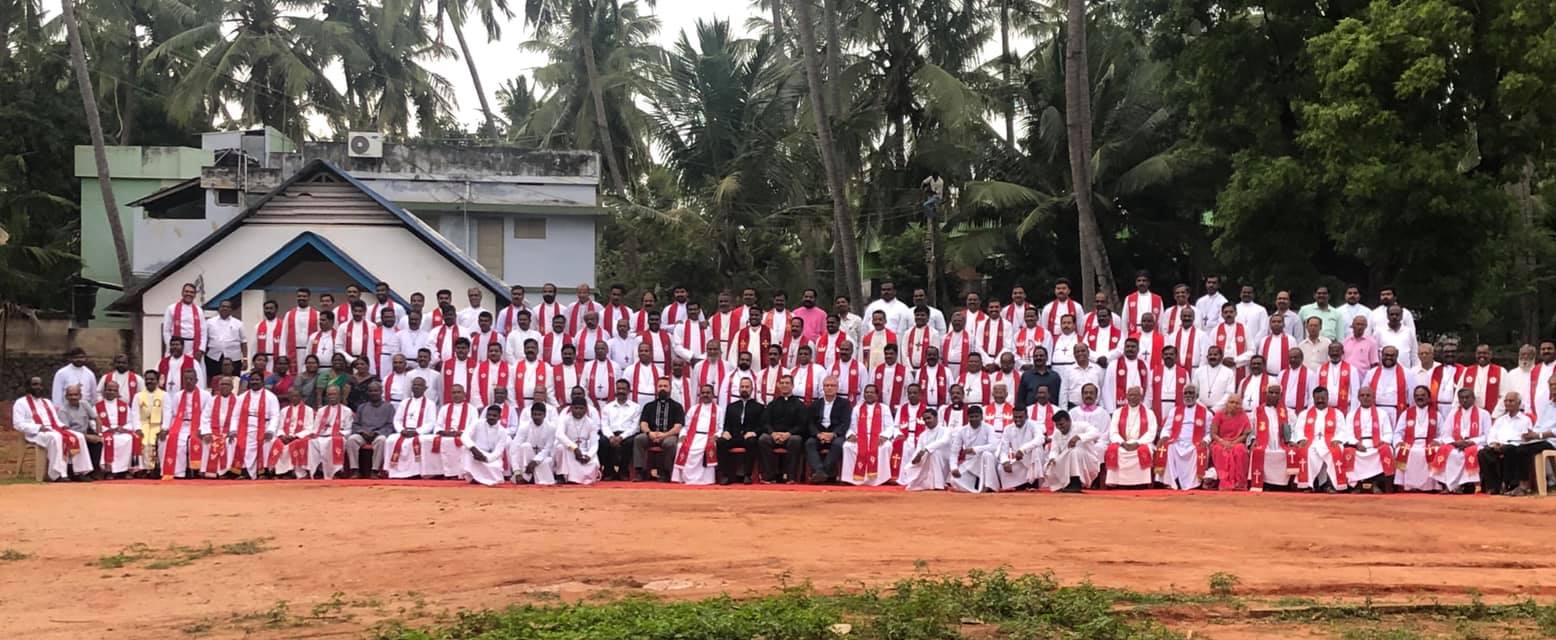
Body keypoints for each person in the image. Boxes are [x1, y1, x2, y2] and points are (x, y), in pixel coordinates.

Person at [13, 376, 94, 481]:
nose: (38, 387)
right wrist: (38, 427)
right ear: (28, 386)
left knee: (78, 436)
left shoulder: (47, 402)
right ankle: (57, 474)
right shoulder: (21, 403)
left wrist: (63, 426)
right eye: (35, 384)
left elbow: (56, 420)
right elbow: (18, 424)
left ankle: (79, 471)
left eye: (40, 385)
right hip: (35, 433)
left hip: (53, 429)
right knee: (56, 438)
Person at [1475, 392, 1538, 495]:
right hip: (1497, 445)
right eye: (1506, 401)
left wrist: (1505, 444)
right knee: (1483, 453)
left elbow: (1524, 438)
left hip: (1513, 446)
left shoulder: (1525, 420)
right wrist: (1494, 443)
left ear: (1519, 403)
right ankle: (1493, 486)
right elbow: (1492, 434)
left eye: (1511, 401)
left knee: (1510, 450)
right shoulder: (1501, 419)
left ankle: (1510, 484)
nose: (1508, 403)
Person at [1432, 388, 1489, 493]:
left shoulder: (1484, 414)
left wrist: (1471, 442)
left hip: (1475, 444)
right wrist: (1455, 442)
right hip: (1456, 444)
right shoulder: (1453, 413)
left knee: (1468, 453)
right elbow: (1445, 433)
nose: (1464, 400)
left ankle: (1471, 485)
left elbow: (1487, 435)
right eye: (1461, 398)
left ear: (1473, 398)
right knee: (1450, 453)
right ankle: (1451, 486)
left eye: (1467, 397)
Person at [1292, 387, 1349, 492]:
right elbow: (1298, 429)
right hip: (1311, 442)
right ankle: (1307, 485)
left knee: (1336, 451)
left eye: (1323, 398)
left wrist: (1338, 439)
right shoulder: (1305, 414)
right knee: (1306, 451)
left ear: (1328, 398)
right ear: (1313, 399)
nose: (1320, 401)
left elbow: (1343, 431)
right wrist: (1301, 439)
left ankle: (1332, 485)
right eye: (1317, 398)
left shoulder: (1337, 413)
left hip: (1330, 442)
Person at [839, 384, 897, 486]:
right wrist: (851, 435)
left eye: (872, 392)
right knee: (847, 446)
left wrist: (884, 436)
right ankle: (850, 479)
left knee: (886, 446)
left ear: (877, 395)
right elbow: (852, 426)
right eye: (867, 392)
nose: (869, 394)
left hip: (879, 437)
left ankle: (880, 479)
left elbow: (890, 426)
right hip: (861, 437)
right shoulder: (857, 408)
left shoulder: (884, 408)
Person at [1155, 384, 1210, 490]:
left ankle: (1193, 484)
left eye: (1191, 393)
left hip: (1194, 443)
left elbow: (1209, 432)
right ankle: (1171, 482)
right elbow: (1167, 428)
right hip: (1177, 441)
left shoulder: (1205, 413)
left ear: (1197, 395)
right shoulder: (1174, 411)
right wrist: (1165, 436)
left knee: (1197, 450)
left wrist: (1205, 440)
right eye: (1186, 393)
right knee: (1168, 447)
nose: (1188, 396)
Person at [161, 368, 212, 479]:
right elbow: (174, 414)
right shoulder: (177, 396)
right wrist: (168, 428)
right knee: (174, 440)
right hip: (181, 425)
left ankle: (199, 470)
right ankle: (179, 472)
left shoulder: (205, 395)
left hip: (198, 425)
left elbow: (207, 415)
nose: (188, 381)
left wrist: (204, 429)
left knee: (197, 440)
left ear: (196, 380)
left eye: (191, 379)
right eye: (186, 379)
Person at [1104, 386, 1158, 487]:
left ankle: (1141, 483)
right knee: (1114, 450)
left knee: (1143, 450)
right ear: (1126, 396)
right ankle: (1118, 483)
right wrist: (1122, 443)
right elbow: (1113, 432)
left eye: (1136, 395)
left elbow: (1151, 432)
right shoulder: (1117, 412)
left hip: (1141, 443)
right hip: (1123, 444)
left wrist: (1138, 443)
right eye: (1131, 395)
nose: (1133, 398)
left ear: (1141, 397)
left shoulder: (1149, 413)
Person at [1345, 386, 1396, 492]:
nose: (1365, 398)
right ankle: (1357, 485)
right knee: (1347, 452)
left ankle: (1378, 483)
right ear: (1358, 398)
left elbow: (1388, 433)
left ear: (1373, 397)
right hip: (1359, 445)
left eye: (1368, 395)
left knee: (1388, 450)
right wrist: (1356, 444)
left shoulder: (1382, 413)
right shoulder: (1351, 415)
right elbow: (1348, 434)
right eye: (1362, 395)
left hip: (1377, 445)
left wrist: (1381, 442)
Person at [758, 376, 807, 483]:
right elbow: (765, 422)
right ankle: (769, 476)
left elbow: (802, 425)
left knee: (796, 440)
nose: (784, 385)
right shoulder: (773, 404)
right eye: (782, 383)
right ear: (779, 386)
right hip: (774, 436)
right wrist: (772, 433)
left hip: (791, 436)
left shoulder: (799, 405)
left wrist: (789, 434)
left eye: (787, 383)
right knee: (763, 439)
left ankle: (790, 476)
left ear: (792, 386)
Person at [636, 377, 685, 481]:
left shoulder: (677, 406)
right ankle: (640, 472)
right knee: (639, 439)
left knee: (670, 444)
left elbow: (677, 427)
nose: (662, 388)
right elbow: (643, 424)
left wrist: (664, 435)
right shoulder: (649, 406)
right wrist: (650, 433)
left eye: (665, 386)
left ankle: (665, 473)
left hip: (669, 436)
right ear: (656, 389)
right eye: (660, 386)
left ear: (670, 389)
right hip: (651, 435)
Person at [424, 384, 478, 479]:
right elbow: (438, 425)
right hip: (446, 434)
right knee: (426, 441)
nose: (456, 395)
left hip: (462, 435)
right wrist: (443, 432)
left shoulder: (472, 409)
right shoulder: (445, 408)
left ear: (464, 394)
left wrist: (460, 432)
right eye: (454, 393)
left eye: (458, 392)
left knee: (459, 443)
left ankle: (458, 473)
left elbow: (474, 426)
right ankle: (436, 472)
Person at [804, 376, 852, 483]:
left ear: (837, 388)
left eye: (832, 385)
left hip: (836, 435)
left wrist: (833, 434)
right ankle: (822, 472)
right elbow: (810, 423)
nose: (829, 388)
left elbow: (845, 423)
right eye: (827, 385)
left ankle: (821, 472)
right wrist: (818, 434)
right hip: (819, 434)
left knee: (838, 445)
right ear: (823, 388)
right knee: (809, 443)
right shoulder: (816, 404)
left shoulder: (845, 404)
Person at [1394, 386, 1441, 492]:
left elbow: (1442, 433)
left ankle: (1430, 486)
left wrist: (1437, 441)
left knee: (1435, 451)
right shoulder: (1406, 413)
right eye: (1417, 396)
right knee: (1402, 450)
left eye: (1423, 395)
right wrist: (1399, 442)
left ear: (1429, 398)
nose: (1420, 398)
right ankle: (1408, 486)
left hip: (1428, 443)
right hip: (1410, 443)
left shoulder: (1436, 414)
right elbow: (1398, 432)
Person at [673, 384, 721, 485]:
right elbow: (685, 426)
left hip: (709, 437)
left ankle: (706, 480)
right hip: (693, 436)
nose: (705, 395)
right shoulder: (693, 409)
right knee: (681, 445)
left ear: (713, 395)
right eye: (703, 393)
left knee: (710, 446)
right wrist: (682, 435)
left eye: (708, 393)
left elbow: (721, 428)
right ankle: (682, 478)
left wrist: (717, 436)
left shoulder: (719, 410)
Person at [993, 397, 1045, 491]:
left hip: (1032, 460)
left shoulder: (1033, 425)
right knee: (1001, 468)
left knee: (1036, 450)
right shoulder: (1008, 429)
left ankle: (1034, 484)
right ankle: (1020, 485)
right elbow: (1003, 449)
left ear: (1026, 416)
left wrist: (1023, 450)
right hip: (1019, 461)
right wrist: (1005, 461)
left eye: (1020, 417)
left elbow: (1040, 439)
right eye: (1015, 417)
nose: (1017, 420)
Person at [718, 378, 763, 484]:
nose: (744, 389)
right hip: (734, 436)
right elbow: (727, 424)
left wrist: (754, 432)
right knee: (721, 442)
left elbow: (762, 426)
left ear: (752, 389)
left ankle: (747, 475)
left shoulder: (759, 407)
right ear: (739, 389)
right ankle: (726, 475)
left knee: (752, 442)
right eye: (742, 387)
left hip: (749, 437)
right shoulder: (731, 407)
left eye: (747, 387)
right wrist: (726, 432)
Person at [1043, 410, 1100, 492]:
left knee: (1074, 451)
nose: (1060, 428)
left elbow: (1096, 433)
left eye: (1062, 424)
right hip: (1066, 461)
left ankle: (1076, 482)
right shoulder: (1057, 433)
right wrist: (1052, 458)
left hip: (1088, 462)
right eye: (1057, 425)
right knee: (1049, 465)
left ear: (1069, 420)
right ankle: (1063, 485)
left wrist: (1079, 437)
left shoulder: (1082, 425)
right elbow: (1054, 450)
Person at [348, 381, 395, 478]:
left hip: (378, 434)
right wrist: (361, 432)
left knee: (382, 440)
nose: (373, 393)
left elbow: (390, 426)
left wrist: (377, 433)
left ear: (381, 392)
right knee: (351, 440)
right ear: (368, 393)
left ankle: (374, 470)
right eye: (371, 391)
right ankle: (355, 470)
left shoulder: (389, 407)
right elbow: (355, 424)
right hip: (363, 434)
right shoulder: (362, 407)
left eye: (376, 391)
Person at [94, 379, 140, 477]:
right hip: (106, 432)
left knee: (130, 439)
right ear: (104, 391)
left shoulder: (124, 405)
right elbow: (93, 422)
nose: (111, 392)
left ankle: (127, 470)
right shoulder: (97, 406)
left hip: (121, 431)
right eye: (109, 390)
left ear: (118, 392)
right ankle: (109, 471)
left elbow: (130, 421)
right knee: (109, 440)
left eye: (114, 390)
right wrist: (106, 429)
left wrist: (123, 428)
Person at [306, 385, 353, 479]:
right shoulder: (321, 410)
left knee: (333, 442)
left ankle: (336, 471)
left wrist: (341, 433)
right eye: (329, 394)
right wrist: (314, 433)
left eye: (334, 394)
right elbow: (315, 427)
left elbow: (349, 428)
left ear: (339, 395)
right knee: (311, 442)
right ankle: (316, 470)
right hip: (322, 435)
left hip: (337, 436)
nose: (332, 396)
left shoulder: (347, 411)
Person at [1249, 384, 1291, 490]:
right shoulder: (1257, 411)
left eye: (1276, 393)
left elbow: (1293, 430)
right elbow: (1252, 430)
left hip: (1281, 444)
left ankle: (1281, 486)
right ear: (1265, 394)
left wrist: (1292, 440)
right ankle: (1265, 484)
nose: (1273, 395)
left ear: (1281, 395)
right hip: (1264, 444)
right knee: (1258, 452)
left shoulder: (1288, 412)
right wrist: (1253, 440)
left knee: (1285, 453)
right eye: (1271, 392)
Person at [948, 405, 997, 492]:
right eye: (971, 417)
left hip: (986, 461)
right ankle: (975, 491)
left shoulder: (989, 428)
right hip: (970, 463)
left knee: (987, 454)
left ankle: (989, 486)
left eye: (976, 416)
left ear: (981, 417)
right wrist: (954, 468)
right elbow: (954, 452)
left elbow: (993, 446)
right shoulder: (962, 431)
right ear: (968, 418)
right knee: (954, 480)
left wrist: (975, 449)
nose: (974, 419)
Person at [899, 410, 951, 491]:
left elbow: (944, 441)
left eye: (929, 418)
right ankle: (929, 484)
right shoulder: (923, 435)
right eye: (925, 419)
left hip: (944, 459)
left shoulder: (946, 430)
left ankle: (939, 485)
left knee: (934, 453)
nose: (927, 421)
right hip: (928, 458)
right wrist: (914, 459)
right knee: (916, 464)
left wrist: (926, 450)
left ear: (936, 418)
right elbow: (918, 449)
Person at [553, 398, 602, 485]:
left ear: (585, 409)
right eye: (576, 408)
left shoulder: (591, 423)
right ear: (571, 408)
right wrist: (574, 447)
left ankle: (579, 478)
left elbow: (594, 444)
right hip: (568, 450)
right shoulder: (565, 419)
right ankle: (561, 475)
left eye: (581, 408)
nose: (578, 411)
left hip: (584, 450)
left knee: (594, 463)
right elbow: (559, 434)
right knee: (560, 448)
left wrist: (589, 456)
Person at [599, 380, 640, 481]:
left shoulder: (636, 407)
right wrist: (611, 437)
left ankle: (623, 471)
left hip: (627, 434)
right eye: (619, 389)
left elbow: (635, 427)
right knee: (602, 441)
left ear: (629, 391)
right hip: (611, 434)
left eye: (623, 389)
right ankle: (609, 471)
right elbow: (604, 425)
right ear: (615, 390)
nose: (621, 391)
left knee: (630, 442)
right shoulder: (607, 407)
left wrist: (621, 437)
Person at [269, 387, 314, 478]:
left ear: (301, 397)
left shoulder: (308, 410)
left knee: (296, 444)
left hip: (300, 437)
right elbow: (279, 427)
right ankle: (281, 472)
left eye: (296, 396)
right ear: (289, 397)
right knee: (274, 442)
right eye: (292, 396)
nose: (294, 398)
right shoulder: (284, 411)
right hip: (285, 436)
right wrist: (282, 435)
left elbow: (309, 428)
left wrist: (296, 436)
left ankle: (295, 472)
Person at [1208, 395, 1251, 491]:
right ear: (1227, 403)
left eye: (1237, 403)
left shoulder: (1243, 416)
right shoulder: (1219, 415)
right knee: (1219, 450)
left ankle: (1240, 483)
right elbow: (1213, 434)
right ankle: (1225, 482)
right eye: (1232, 402)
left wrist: (1234, 442)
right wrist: (1223, 442)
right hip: (1220, 441)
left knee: (1240, 450)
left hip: (1237, 442)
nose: (1234, 405)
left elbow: (1245, 434)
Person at [461, 405, 510, 486]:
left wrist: (486, 459)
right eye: (489, 415)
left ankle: (481, 479)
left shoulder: (503, 431)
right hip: (476, 453)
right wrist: (474, 449)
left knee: (495, 473)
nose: (491, 417)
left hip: (491, 457)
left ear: (499, 417)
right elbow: (464, 436)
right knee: (465, 449)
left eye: (494, 415)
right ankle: (473, 478)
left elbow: (498, 451)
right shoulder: (477, 423)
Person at [509, 402, 558, 485]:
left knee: (546, 462)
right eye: (534, 414)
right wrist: (516, 471)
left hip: (543, 457)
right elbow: (514, 449)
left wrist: (535, 461)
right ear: (531, 415)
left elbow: (547, 449)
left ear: (544, 415)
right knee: (525, 446)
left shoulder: (551, 428)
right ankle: (526, 476)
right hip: (525, 458)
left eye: (539, 414)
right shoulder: (524, 427)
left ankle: (529, 477)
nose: (536, 417)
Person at [1365, 346, 1416, 422]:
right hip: (1376, 410)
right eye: (1386, 355)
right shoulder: (1371, 373)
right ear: (1381, 355)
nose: (1388, 357)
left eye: (1391, 355)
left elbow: (1412, 395)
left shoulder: (1407, 373)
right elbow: (1364, 391)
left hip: (1396, 411)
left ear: (1397, 356)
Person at [1102, 338, 1151, 411]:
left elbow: (1148, 388)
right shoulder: (1113, 365)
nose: (1130, 349)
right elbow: (1107, 388)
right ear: (1124, 349)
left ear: (1138, 350)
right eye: (1127, 346)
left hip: (1140, 407)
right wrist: (1111, 410)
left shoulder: (1144, 365)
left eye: (1133, 347)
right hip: (1119, 407)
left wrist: (1146, 407)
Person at [1458, 344, 1507, 414]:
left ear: (1490, 354)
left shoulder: (1501, 371)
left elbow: (1504, 395)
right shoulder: (1467, 371)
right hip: (1470, 413)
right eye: (1479, 353)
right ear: (1475, 355)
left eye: (1485, 353)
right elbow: (1459, 392)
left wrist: (1496, 414)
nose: (1482, 356)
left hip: (1492, 413)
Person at [162, 282, 206, 357]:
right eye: (186, 291)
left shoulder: (199, 310)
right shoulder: (171, 308)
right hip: (176, 346)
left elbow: (203, 332)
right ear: (182, 293)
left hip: (194, 347)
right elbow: (166, 331)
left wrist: (201, 349)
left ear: (195, 295)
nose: (189, 294)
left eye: (192, 292)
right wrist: (172, 346)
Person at [1316, 342, 1360, 414]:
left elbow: (1355, 393)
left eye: (1337, 351)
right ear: (1328, 353)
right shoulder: (1320, 369)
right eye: (1332, 351)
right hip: (1324, 409)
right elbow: (1316, 390)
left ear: (1342, 352)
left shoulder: (1352, 369)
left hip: (1346, 410)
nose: (1334, 353)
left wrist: (1353, 412)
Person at [1061, 344, 1104, 409]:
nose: (1080, 353)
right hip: (1074, 408)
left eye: (1083, 351)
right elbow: (1063, 392)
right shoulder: (1068, 370)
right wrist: (1064, 410)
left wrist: (1102, 408)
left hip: (1095, 409)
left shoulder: (1098, 369)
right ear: (1074, 355)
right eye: (1077, 352)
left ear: (1088, 352)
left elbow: (1102, 390)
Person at [1194, 346, 1237, 411]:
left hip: (1221, 411)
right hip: (1201, 409)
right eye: (1210, 355)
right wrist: (1203, 407)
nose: (1212, 357)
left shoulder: (1228, 372)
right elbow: (1195, 392)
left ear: (1221, 357)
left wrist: (1214, 409)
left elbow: (1229, 393)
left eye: (1215, 354)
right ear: (1207, 357)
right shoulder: (1199, 371)